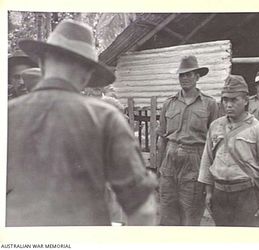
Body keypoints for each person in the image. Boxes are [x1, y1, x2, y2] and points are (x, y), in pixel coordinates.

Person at [7, 19, 157, 226]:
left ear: (42, 63)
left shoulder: (8, 114)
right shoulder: (105, 117)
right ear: (87, 75)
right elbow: (142, 209)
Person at [198, 75, 259, 227]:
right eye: (225, 100)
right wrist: (209, 192)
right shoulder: (215, 126)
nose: (228, 105)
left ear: (245, 100)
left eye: (234, 100)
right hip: (220, 193)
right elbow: (207, 161)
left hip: (247, 194)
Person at [157, 55, 219, 226]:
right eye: (181, 75)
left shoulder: (209, 104)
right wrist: (159, 168)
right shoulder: (169, 104)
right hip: (169, 160)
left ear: (198, 77)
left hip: (194, 162)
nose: (184, 78)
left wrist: (209, 176)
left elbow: (214, 143)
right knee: (167, 213)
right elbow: (162, 139)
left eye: (189, 74)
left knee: (190, 213)